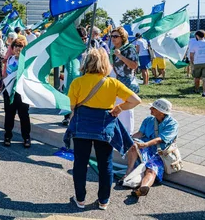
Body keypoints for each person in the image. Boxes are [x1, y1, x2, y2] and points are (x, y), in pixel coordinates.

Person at [65, 48, 141, 210]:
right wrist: (119, 108)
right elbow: (136, 100)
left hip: (82, 126)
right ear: (106, 64)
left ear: (86, 62)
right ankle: (103, 201)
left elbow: (71, 107)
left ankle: (80, 199)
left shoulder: (77, 82)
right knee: (105, 164)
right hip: (104, 128)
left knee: (80, 163)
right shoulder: (112, 83)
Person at [123, 98, 178, 197]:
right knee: (133, 144)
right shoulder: (148, 120)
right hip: (146, 149)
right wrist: (128, 139)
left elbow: (160, 139)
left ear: (161, 112)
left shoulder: (172, 124)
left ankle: (143, 188)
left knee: (152, 170)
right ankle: (128, 172)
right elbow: (140, 133)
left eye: (153, 108)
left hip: (160, 152)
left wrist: (146, 144)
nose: (150, 109)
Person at [3, 37, 31, 148]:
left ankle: (27, 137)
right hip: (9, 92)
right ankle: (7, 136)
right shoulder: (10, 59)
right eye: (16, 46)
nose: (18, 48)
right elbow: (5, 73)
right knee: (9, 115)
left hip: (21, 92)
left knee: (24, 115)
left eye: (21, 46)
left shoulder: (26, 61)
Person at [110, 27, 139, 135]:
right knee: (116, 106)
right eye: (112, 36)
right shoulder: (114, 49)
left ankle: (127, 132)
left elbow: (134, 65)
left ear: (122, 37)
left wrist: (120, 56)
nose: (113, 38)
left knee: (126, 108)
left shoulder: (129, 49)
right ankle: (117, 130)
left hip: (126, 81)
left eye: (116, 36)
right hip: (115, 81)